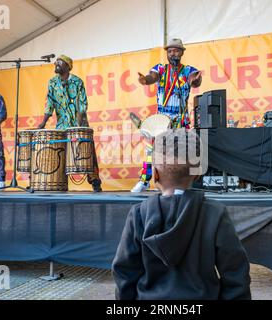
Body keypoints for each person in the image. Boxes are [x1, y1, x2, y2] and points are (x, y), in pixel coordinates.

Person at [112, 129, 251, 300]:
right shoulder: (215, 213)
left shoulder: (138, 214)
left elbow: (124, 272)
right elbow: (236, 274)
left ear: (154, 173)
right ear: (199, 173)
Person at [131, 38, 202, 193]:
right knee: (152, 151)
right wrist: (145, 80)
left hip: (180, 118)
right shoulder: (161, 69)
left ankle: (180, 185)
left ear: (182, 53)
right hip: (161, 121)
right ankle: (144, 181)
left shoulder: (188, 70)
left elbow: (194, 80)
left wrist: (195, 81)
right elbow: (152, 77)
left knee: (180, 152)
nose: (172, 53)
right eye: (169, 51)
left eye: (176, 50)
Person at [37, 54, 102, 192]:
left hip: (79, 122)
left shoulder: (77, 82)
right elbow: (49, 103)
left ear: (67, 66)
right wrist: (43, 121)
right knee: (60, 152)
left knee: (87, 152)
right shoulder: (52, 82)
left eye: (60, 62)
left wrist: (78, 126)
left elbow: (82, 104)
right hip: (62, 124)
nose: (56, 64)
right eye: (56, 63)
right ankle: (60, 182)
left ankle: (95, 181)